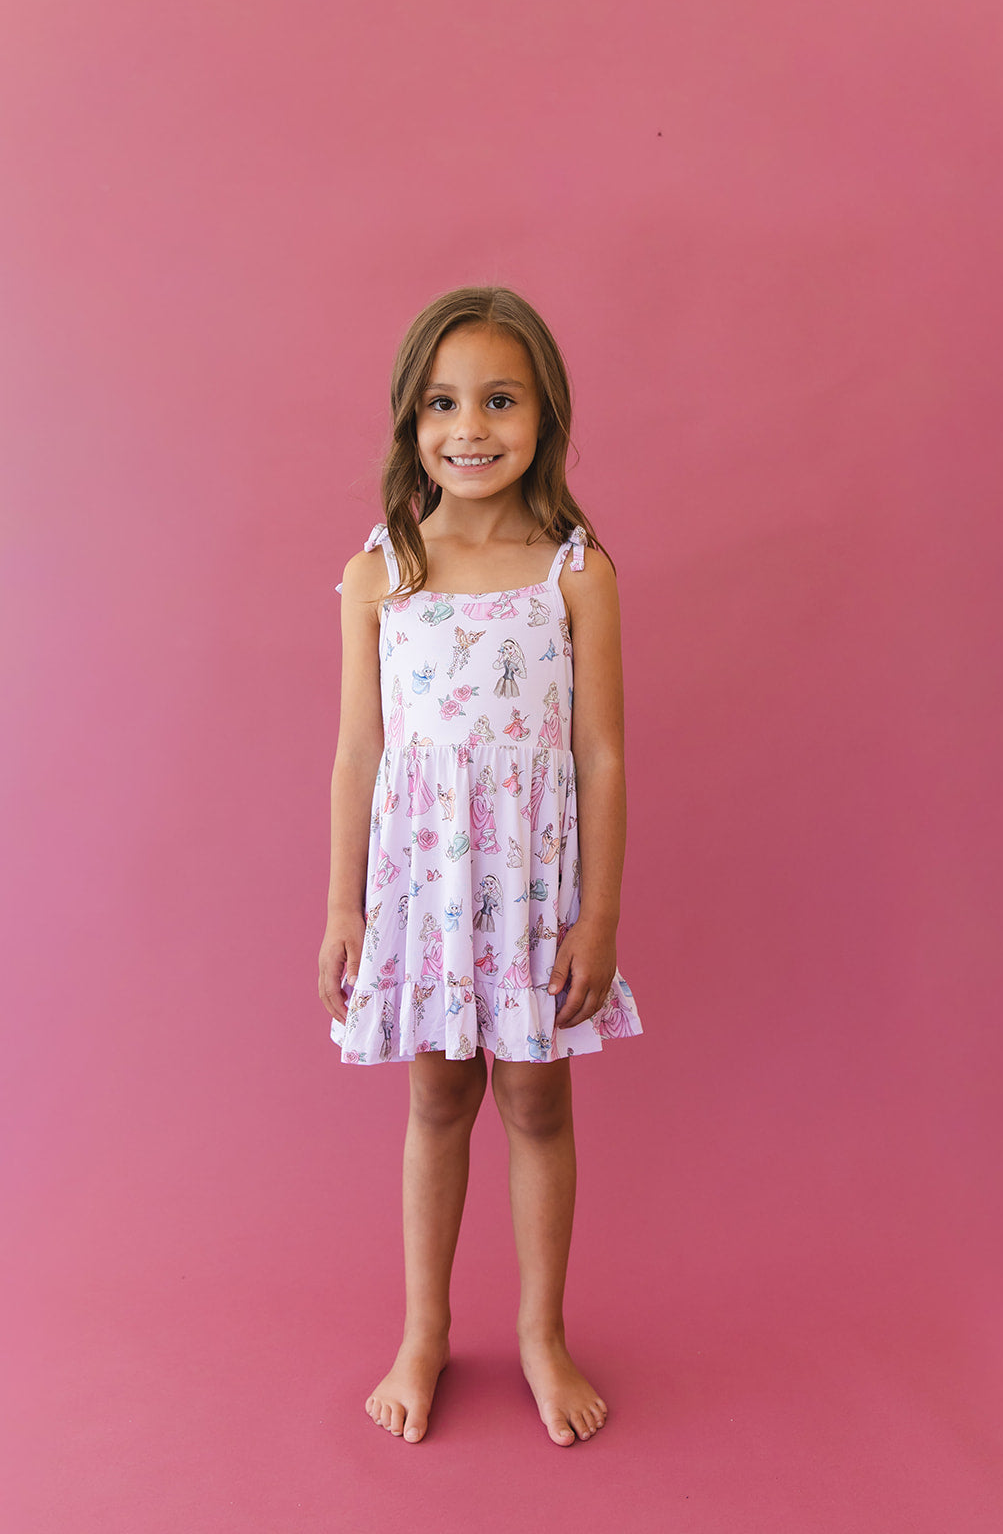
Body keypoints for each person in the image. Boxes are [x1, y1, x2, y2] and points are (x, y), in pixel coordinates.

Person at [318, 285, 643, 1449]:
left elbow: (600, 753)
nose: (469, 426)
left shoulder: (574, 571)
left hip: (529, 889)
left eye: (498, 400)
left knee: (537, 1101)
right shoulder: (381, 570)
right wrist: (342, 906)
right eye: (441, 403)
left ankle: (540, 1335)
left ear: (542, 415)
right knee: (437, 1096)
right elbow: (360, 749)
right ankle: (424, 1332)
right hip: (427, 890)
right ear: (410, 421)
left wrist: (596, 918)